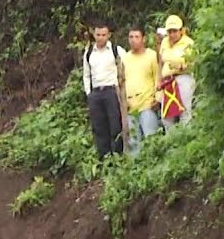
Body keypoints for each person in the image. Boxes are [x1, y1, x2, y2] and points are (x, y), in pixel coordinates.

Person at [82, 23, 126, 159]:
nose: (100, 38)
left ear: (109, 35)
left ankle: (118, 156)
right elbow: (86, 74)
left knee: (115, 125)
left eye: (103, 35)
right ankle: (104, 158)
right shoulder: (89, 52)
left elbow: (126, 67)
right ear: (94, 35)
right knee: (99, 127)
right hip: (96, 93)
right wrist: (89, 93)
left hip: (111, 91)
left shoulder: (116, 50)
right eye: (98, 35)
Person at [121, 27, 161, 156]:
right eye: (131, 37)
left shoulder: (151, 55)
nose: (133, 40)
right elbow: (121, 82)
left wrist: (158, 97)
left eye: (136, 37)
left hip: (147, 104)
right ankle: (135, 170)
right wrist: (123, 102)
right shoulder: (125, 59)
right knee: (133, 143)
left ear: (143, 39)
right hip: (131, 107)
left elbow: (158, 77)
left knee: (151, 138)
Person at [157, 14, 195, 129]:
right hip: (168, 80)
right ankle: (172, 141)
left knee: (184, 112)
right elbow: (160, 61)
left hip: (183, 77)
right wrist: (159, 80)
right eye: (170, 32)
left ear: (181, 30)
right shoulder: (165, 42)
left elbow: (190, 63)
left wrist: (178, 65)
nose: (172, 34)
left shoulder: (188, 43)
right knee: (167, 116)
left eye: (175, 31)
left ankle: (185, 140)